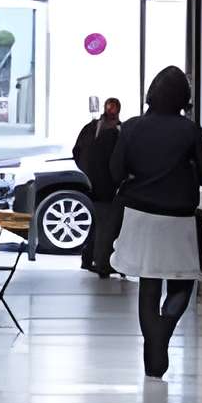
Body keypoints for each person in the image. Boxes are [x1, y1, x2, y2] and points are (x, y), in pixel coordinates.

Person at [110, 67, 202, 379]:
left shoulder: (131, 128)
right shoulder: (190, 131)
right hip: (177, 219)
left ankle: (153, 346)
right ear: (185, 97)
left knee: (149, 282)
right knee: (182, 282)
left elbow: (115, 172)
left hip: (139, 215)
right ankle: (162, 336)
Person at [72, 97, 123, 276]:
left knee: (98, 223)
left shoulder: (93, 129)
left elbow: (76, 151)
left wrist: (87, 172)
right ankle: (102, 262)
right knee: (106, 225)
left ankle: (89, 258)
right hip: (106, 187)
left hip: (94, 184)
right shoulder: (114, 131)